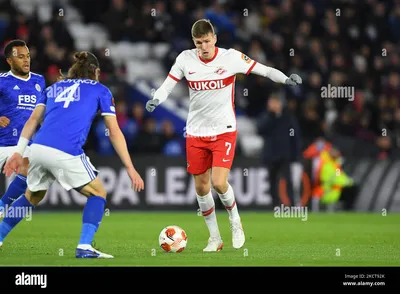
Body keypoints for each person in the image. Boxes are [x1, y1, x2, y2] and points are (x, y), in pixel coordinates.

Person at [146, 19, 302, 251]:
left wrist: (286, 79)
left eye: (207, 41)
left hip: (224, 130)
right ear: (194, 42)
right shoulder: (185, 59)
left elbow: (264, 70)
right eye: (199, 43)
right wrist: (156, 99)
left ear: (214, 38)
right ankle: (215, 238)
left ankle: (236, 223)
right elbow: (168, 85)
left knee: (219, 182)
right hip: (196, 131)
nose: (204, 47)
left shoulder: (230, 58)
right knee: (201, 188)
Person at [1, 51, 144, 258]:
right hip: (65, 150)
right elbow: (113, 131)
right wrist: (130, 168)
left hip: (38, 148)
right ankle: (84, 246)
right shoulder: (101, 90)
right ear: (95, 72)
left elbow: (32, 120)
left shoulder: (53, 88)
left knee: (33, 195)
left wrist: (19, 152)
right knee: (98, 193)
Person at [0, 39, 46, 216]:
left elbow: (40, 112)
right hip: (2, 143)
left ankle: (2, 206)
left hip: (25, 145)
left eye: (27, 56)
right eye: (20, 57)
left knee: (31, 169)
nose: (26, 60)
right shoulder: (2, 81)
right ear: (9, 61)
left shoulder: (39, 80)